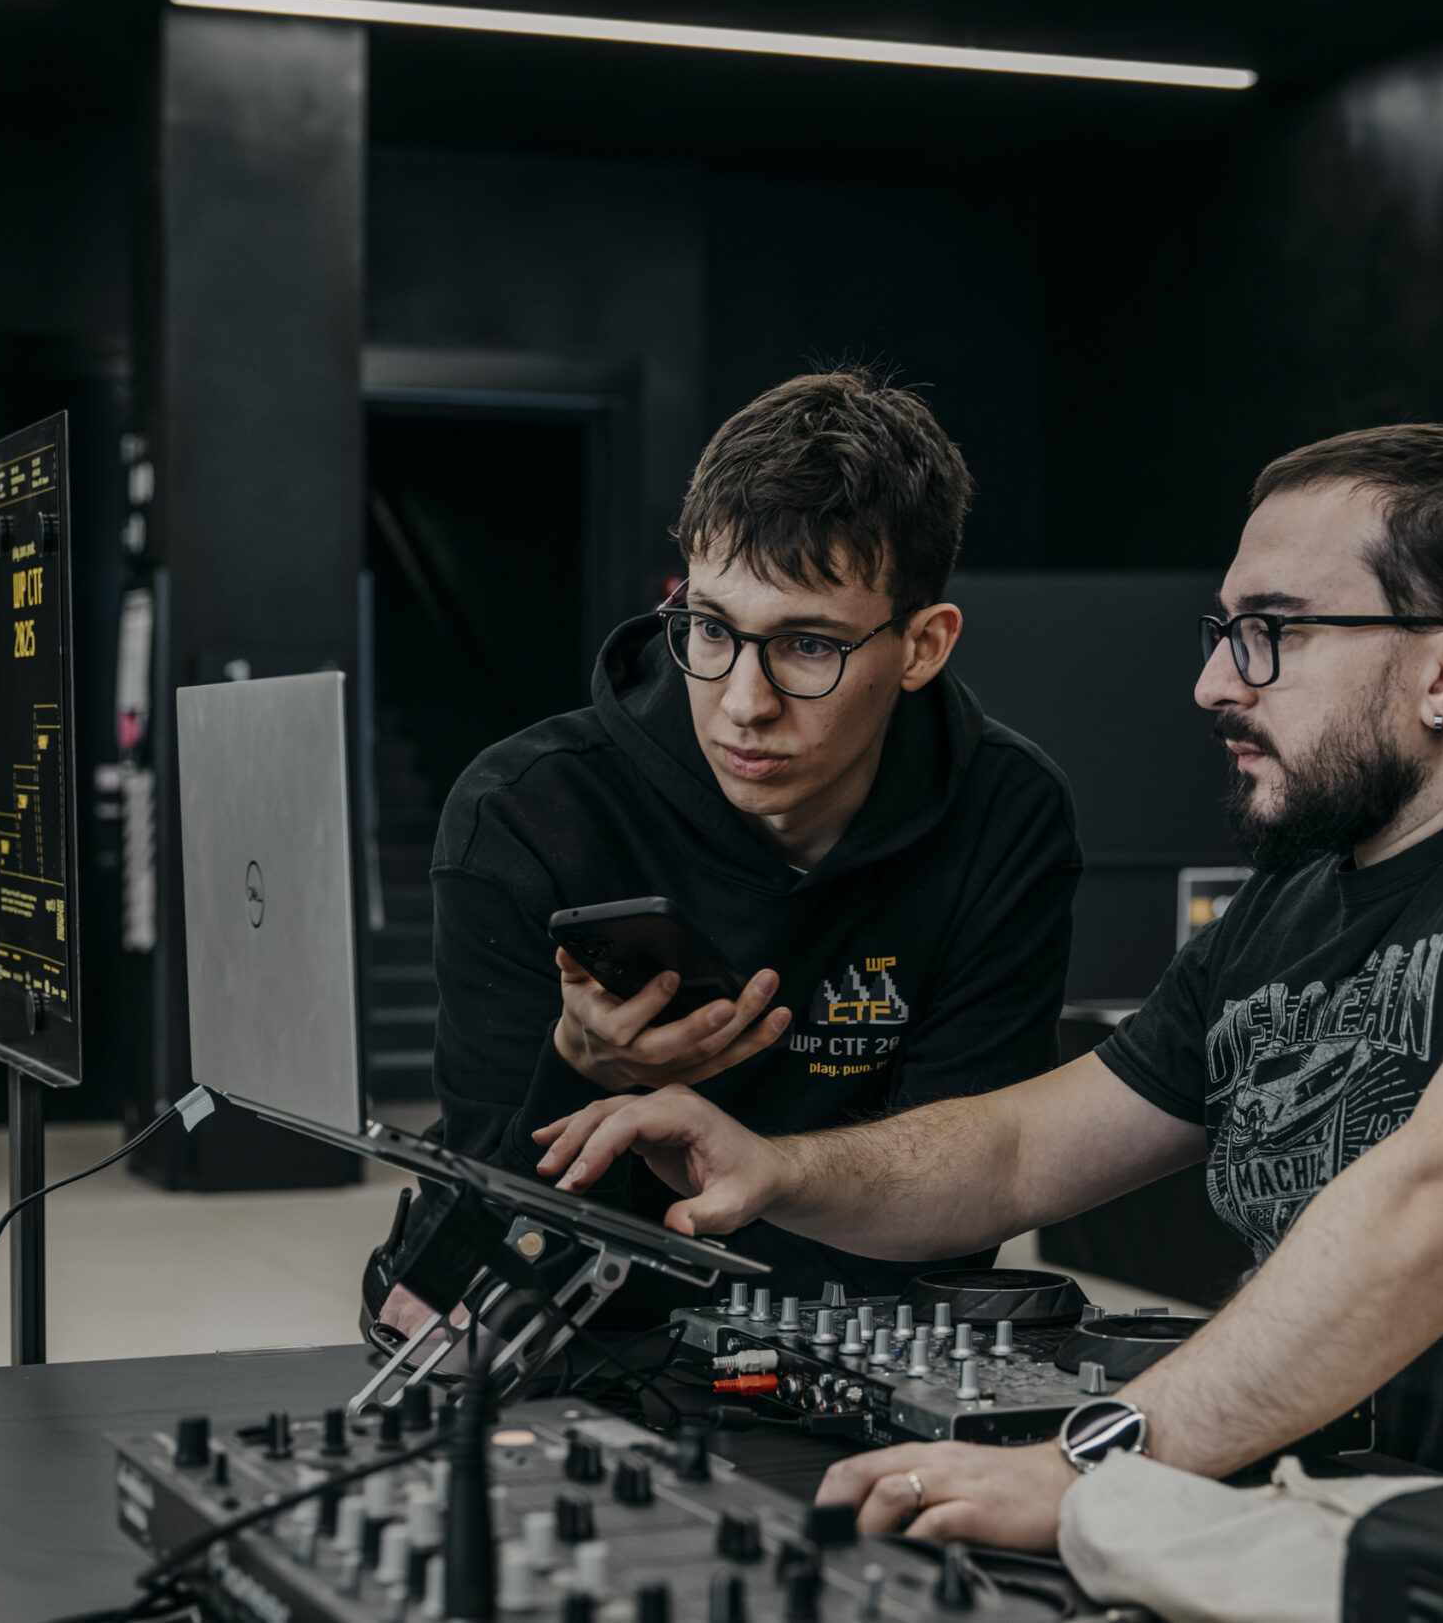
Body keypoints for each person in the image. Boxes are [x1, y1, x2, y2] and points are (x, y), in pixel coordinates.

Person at [530, 423, 1443, 1544]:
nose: (1213, 683)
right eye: (1221, 631)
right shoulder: (1289, 906)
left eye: (1272, 633)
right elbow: (1022, 1153)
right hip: (1325, 1530)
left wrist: (1093, 1462)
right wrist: (777, 1170)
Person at [385, 369, 1081, 1334]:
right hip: (581, 1350)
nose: (745, 704)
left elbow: (960, 1201)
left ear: (924, 645)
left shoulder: (1006, 814)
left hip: (860, 1352)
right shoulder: (527, 815)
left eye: (808, 645)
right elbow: (490, 1240)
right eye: (711, 628)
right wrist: (579, 1067)